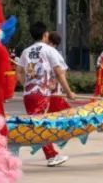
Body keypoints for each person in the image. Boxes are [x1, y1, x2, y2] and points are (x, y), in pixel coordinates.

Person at [16, 22, 77, 167]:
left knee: (39, 124)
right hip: (41, 95)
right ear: (45, 35)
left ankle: (52, 153)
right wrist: (69, 92)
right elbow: (59, 72)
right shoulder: (49, 50)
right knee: (40, 125)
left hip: (29, 95)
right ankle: (52, 156)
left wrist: (26, 84)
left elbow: (19, 72)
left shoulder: (26, 51)